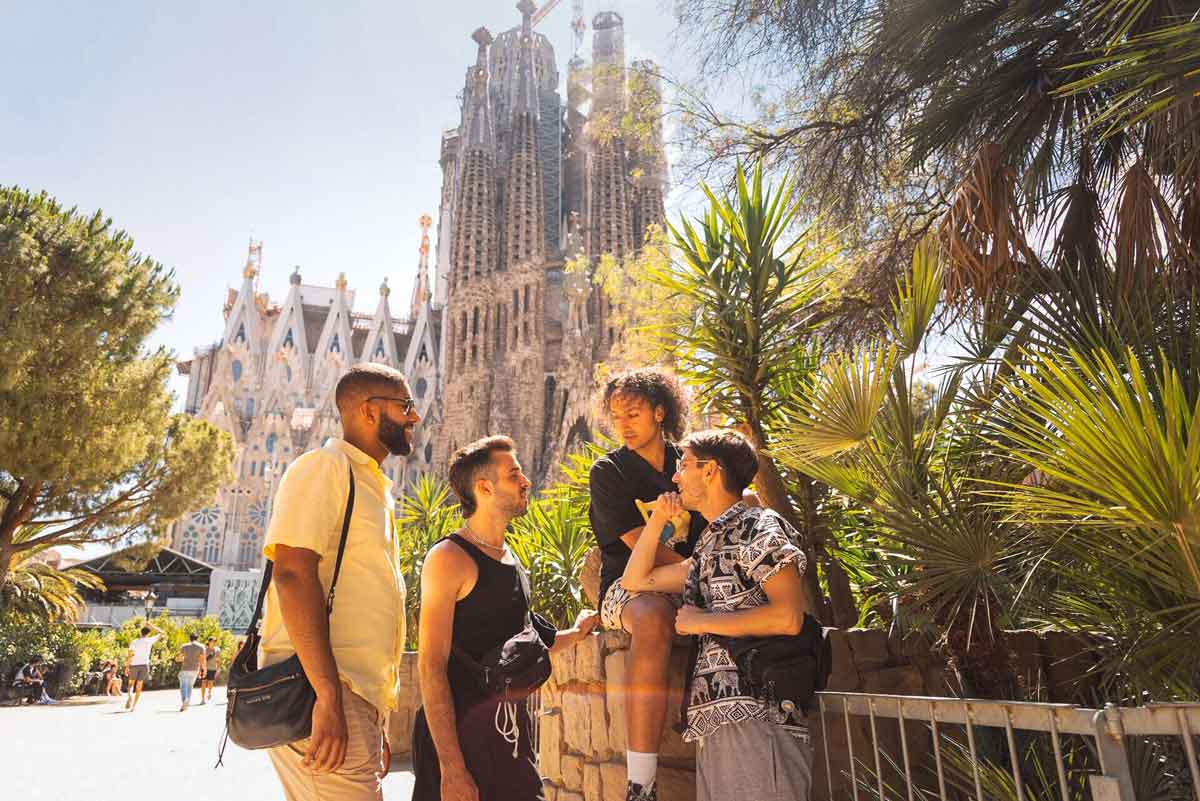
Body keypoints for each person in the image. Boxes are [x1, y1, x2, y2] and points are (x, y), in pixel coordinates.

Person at [622, 429, 813, 801]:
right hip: (715, 721)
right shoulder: (710, 544)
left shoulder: (759, 526)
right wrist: (658, 520)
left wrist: (702, 622)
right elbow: (636, 580)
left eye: (684, 465)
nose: (675, 477)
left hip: (761, 717)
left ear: (710, 471)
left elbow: (789, 617)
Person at [261, 363, 418, 801]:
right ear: (369, 412)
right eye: (405, 406)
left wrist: (374, 717)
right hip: (324, 689)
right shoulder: (325, 468)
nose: (415, 417)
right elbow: (292, 573)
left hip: (351, 696)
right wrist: (328, 695)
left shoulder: (371, 485)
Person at [413, 436, 599, 801]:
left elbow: (523, 646)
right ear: (484, 487)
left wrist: (576, 633)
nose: (526, 481)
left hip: (510, 739)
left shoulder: (511, 560)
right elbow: (431, 667)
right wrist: (452, 769)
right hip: (460, 743)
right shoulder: (450, 558)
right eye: (514, 474)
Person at [587, 368, 706, 801]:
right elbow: (641, 545)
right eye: (616, 416)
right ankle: (641, 784)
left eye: (633, 413)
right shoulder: (609, 472)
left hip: (689, 577)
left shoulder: (690, 463)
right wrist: (702, 576)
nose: (624, 424)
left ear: (660, 412)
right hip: (629, 586)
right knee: (654, 618)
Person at [125, 620, 164, 711]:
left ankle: (130, 695)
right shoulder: (149, 641)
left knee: (131, 684)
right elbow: (161, 632)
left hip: (134, 664)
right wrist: (151, 625)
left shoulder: (134, 642)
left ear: (140, 632)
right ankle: (134, 706)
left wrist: (127, 667)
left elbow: (130, 655)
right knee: (139, 686)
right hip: (144, 665)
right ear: (148, 634)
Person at [176, 634, 206, 711]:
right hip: (195, 669)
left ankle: (184, 700)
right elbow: (202, 660)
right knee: (190, 686)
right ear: (197, 638)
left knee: (183, 686)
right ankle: (187, 701)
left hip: (185, 668)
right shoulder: (201, 647)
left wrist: (182, 658)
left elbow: (178, 658)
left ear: (190, 638)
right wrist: (203, 670)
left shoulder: (184, 646)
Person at [200, 637, 221, 704]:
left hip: (213, 668)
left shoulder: (217, 650)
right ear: (208, 642)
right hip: (205, 668)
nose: (213, 643)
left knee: (210, 683)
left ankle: (209, 692)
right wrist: (201, 669)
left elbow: (218, 659)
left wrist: (218, 668)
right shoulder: (204, 650)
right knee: (203, 683)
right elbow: (202, 660)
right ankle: (203, 699)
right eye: (212, 641)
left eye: (214, 641)